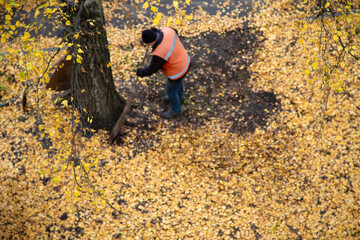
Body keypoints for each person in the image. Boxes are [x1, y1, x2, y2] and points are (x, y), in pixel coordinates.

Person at [136, 27, 191, 119]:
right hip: (185, 61)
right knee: (178, 84)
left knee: (171, 91)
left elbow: (152, 69)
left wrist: (141, 72)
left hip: (176, 72)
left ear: (150, 43)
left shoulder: (160, 53)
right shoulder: (167, 30)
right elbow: (174, 32)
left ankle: (176, 109)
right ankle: (180, 98)